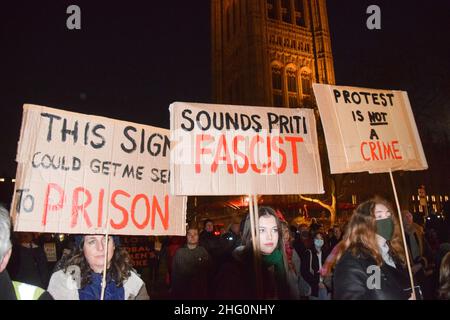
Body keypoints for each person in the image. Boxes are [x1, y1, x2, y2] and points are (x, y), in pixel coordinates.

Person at [333, 197, 413, 300]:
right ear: (364, 224)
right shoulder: (353, 261)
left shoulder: (394, 255)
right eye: (379, 216)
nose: (387, 220)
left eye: (388, 215)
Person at [214, 206, 290, 300]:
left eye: (274, 230)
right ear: (250, 234)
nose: (270, 236)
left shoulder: (279, 260)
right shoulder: (231, 272)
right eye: (262, 230)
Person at [47, 234, 149, 300]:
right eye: (92, 241)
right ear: (82, 248)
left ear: (114, 245)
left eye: (106, 240)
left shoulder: (133, 283)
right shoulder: (62, 282)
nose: (100, 248)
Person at [0, 205, 52, 300]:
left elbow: (43, 268)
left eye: (27, 235)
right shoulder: (17, 250)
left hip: (35, 284)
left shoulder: (37, 250)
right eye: (23, 235)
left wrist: (44, 283)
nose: (25, 237)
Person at [171, 227, 211, 299]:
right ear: (186, 237)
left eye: (195, 234)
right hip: (183, 292)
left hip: (200, 292)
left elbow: (208, 270)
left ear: (198, 237)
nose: (192, 236)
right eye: (190, 234)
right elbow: (178, 273)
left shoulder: (203, 251)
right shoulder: (180, 252)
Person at [281, 221, 311, 299]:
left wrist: (295, 274)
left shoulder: (291, 248)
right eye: (282, 232)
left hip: (295, 282)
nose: (286, 235)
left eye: (287, 231)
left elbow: (297, 264)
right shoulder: (275, 251)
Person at [301, 230, 330, 300]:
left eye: (321, 238)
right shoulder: (308, 253)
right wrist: (317, 283)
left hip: (326, 285)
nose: (319, 240)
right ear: (313, 240)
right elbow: (304, 272)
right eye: (317, 238)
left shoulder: (326, 252)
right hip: (314, 287)